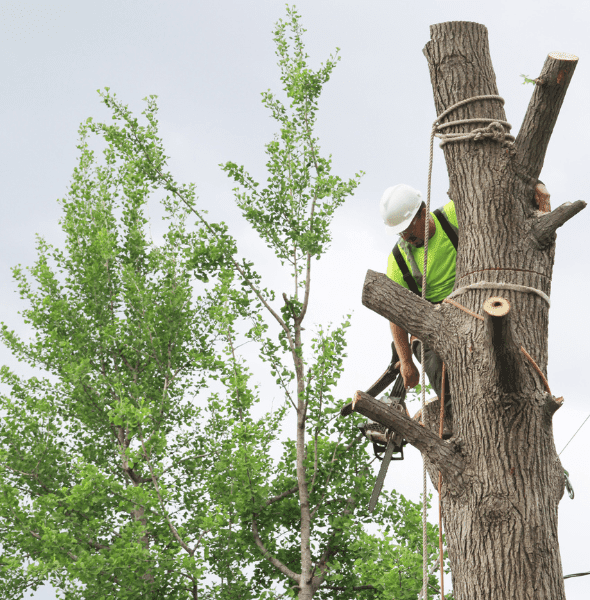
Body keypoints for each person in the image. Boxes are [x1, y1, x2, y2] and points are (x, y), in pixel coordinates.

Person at [380, 182, 551, 401]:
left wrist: (533, 186)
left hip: (475, 306)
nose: (405, 237)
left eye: (408, 230)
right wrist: (406, 361)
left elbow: (493, 194)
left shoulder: (453, 215)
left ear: (423, 213)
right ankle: (454, 415)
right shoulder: (398, 260)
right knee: (440, 369)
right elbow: (395, 314)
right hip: (433, 323)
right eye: (400, 233)